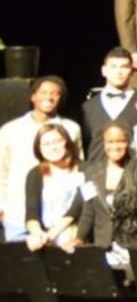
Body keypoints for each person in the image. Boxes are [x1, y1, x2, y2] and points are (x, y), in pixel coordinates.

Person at [0, 76, 83, 241]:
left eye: (55, 93)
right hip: (18, 212)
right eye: (43, 92)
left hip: (60, 220)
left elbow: (80, 171)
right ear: (33, 97)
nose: (49, 97)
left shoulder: (71, 128)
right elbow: (2, 169)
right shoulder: (10, 130)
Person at [79, 122, 137, 252]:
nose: (115, 146)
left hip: (135, 247)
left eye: (120, 141)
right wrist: (79, 238)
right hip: (102, 247)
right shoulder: (91, 173)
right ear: (104, 143)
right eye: (110, 142)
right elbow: (88, 212)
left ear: (128, 143)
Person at [23, 124, 87, 251]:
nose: (52, 148)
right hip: (45, 241)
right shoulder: (34, 174)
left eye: (57, 141)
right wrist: (39, 235)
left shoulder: (86, 169)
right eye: (46, 144)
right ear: (39, 149)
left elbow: (78, 207)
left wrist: (52, 234)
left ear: (66, 142)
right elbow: (31, 214)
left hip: (76, 239)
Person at [82, 47, 137, 167]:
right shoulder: (88, 107)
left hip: (133, 177)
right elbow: (85, 144)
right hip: (95, 176)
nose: (118, 72)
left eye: (124, 67)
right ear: (104, 70)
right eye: (113, 67)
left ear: (132, 71)